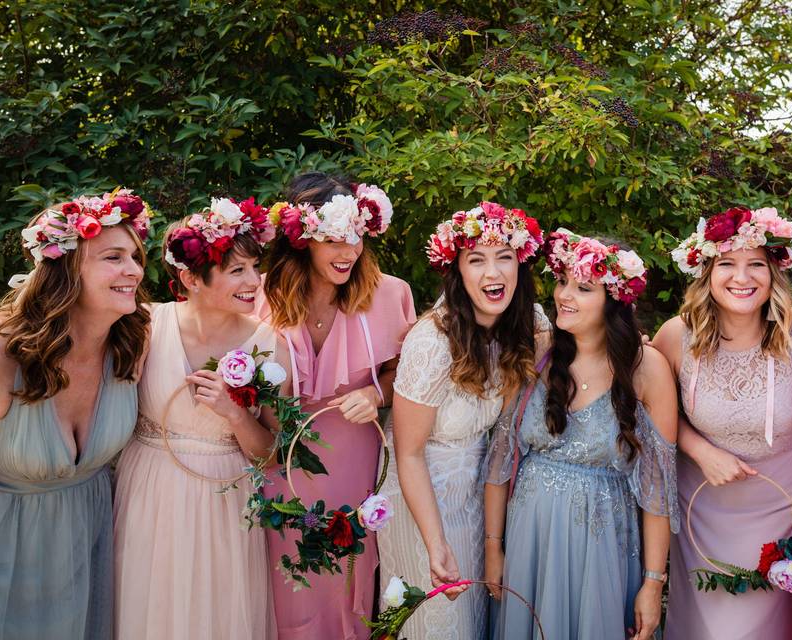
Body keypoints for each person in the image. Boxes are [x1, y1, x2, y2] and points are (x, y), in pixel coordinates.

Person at [486, 229, 679, 640]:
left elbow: (657, 489)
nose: (564, 295)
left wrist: (653, 581)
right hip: (530, 538)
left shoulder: (648, 370)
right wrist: (493, 547)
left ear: (614, 299)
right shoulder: (535, 352)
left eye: (583, 287)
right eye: (562, 282)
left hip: (603, 543)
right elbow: (500, 461)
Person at [653, 206, 792, 640]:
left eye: (756, 265)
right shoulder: (677, 336)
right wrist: (701, 450)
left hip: (782, 507)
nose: (741, 277)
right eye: (727, 264)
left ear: (774, 273)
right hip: (703, 505)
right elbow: (653, 409)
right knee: (707, 626)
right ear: (706, 273)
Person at [113, 197, 284, 640]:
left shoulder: (268, 343)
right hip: (149, 491)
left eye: (254, 267)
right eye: (237, 271)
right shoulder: (145, 325)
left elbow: (273, 456)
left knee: (219, 613)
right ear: (190, 278)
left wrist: (234, 413)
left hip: (225, 498)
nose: (254, 282)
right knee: (146, 608)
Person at [376, 202, 547, 640]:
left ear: (520, 264)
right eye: (477, 260)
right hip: (423, 495)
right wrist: (435, 543)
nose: (493, 272)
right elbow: (407, 452)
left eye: (504, 257)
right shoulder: (433, 341)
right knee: (438, 624)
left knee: (471, 621)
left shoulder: (527, 322)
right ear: (457, 271)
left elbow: (579, 349)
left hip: (474, 491)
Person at [260, 173, 415, 640]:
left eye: (355, 236)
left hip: (352, 454)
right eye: (332, 238)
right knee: (284, 575)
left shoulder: (391, 293)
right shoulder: (259, 294)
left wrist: (376, 394)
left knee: (345, 567)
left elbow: (406, 374)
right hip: (276, 458)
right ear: (303, 238)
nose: (348, 251)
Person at [0, 190, 152, 639]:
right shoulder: (7, 356)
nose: (134, 271)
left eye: (134, 256)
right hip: (9, 558)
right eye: (113, 257)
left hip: (88, 555)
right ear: (66, 270)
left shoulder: (131, 347)